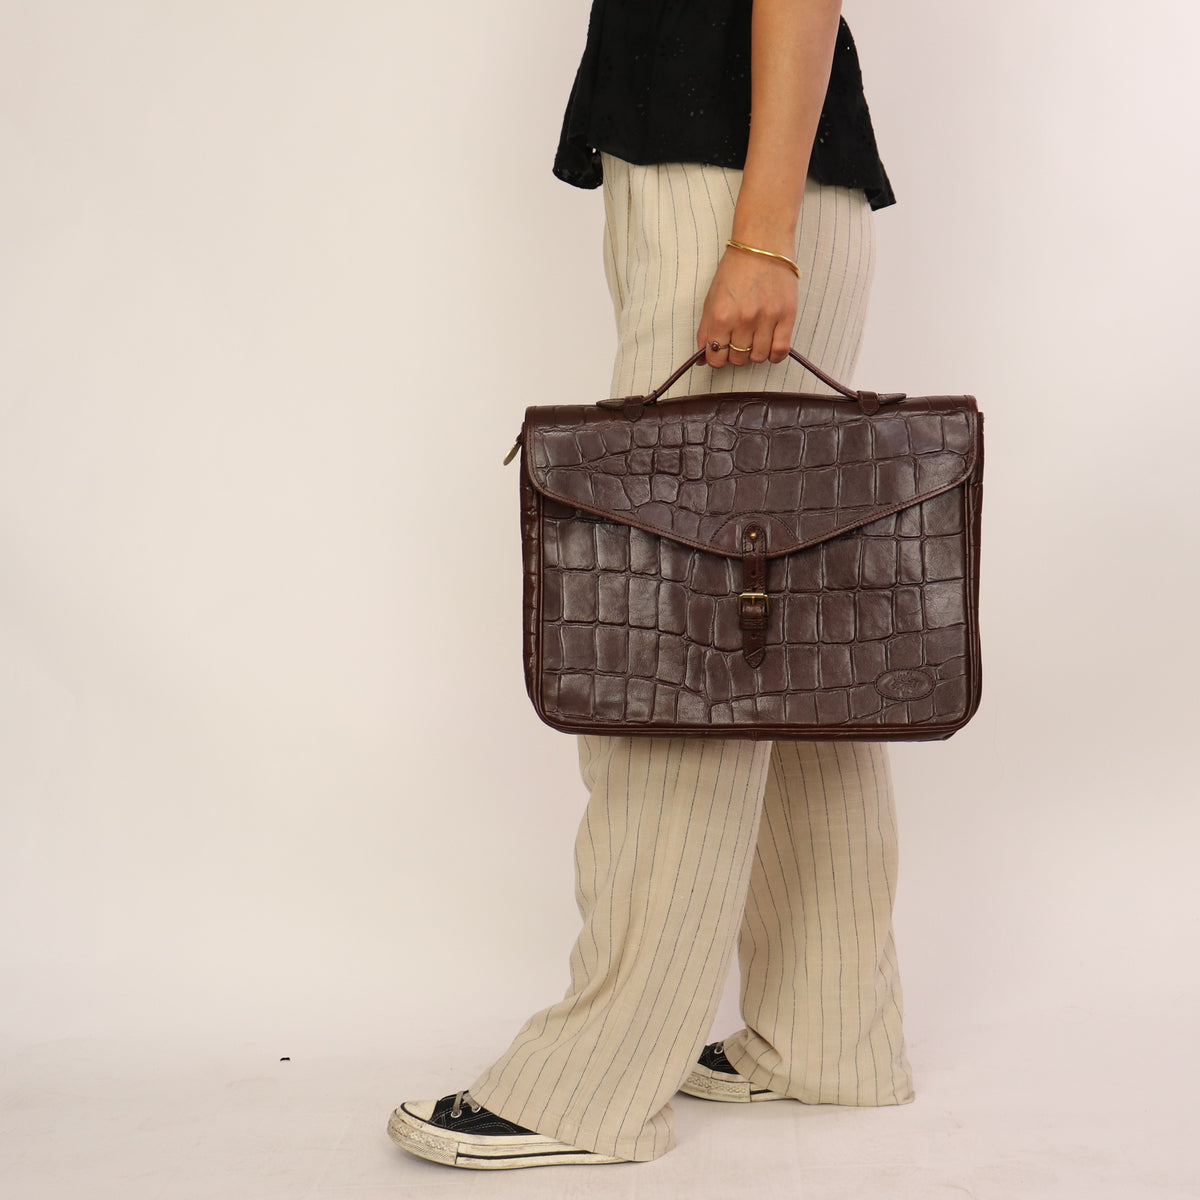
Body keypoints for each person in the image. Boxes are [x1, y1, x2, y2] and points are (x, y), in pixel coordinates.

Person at [389, 0, 911, 1170]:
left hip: (735, 194)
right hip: (746, 180)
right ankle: (827, 1032)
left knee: (683, 643)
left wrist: (759, 238)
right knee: (781, 639)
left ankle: (591, 1086)